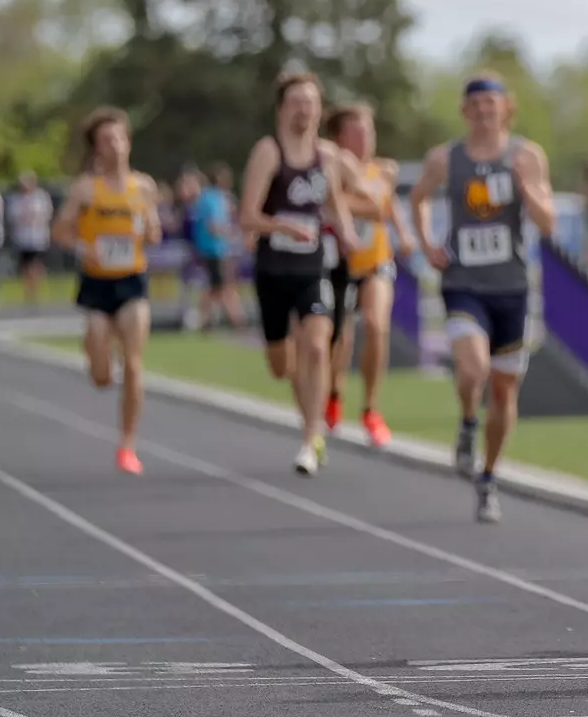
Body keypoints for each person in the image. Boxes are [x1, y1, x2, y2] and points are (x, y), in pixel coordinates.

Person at [411, 71, 556, 523]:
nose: (483, 112)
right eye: (475, 105)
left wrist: (526, 186)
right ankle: (468, 421)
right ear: (464, 110)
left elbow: (548, 223)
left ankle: (489, 477)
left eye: (491, 104)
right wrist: (427, 241)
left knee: (504, 388)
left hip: (512, 288)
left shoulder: (527, 155)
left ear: (506, 107)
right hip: (462, 283)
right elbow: (417, 197)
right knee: (472, 367)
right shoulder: (445, 159)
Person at [238, 70, 360, 477]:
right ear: (281, 108)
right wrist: (282, 227)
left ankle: (311, 437)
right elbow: (248, 217)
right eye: (296, 102)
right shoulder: (268, 152)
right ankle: (307, 407)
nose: (304, 109)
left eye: (311, 101)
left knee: (317, 342)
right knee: (281, 362)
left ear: (320, 108)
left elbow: (336, 203)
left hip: (312, 265)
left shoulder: (327, 156)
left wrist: (347, 233)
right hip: (274, 268)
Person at [49, 108, 164, 474]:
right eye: (107, 140)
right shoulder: (85, 189)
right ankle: (98, 352)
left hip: (132, 280)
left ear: (128, 142)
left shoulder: (143, 186)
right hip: (97, 283)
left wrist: (147, 228)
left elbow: (154, 232)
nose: (116, 145)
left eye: (120, 138)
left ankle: (128, 445)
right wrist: (84, 247)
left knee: (133, 363)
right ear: (97, 149)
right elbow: (60, 232)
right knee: (102, 377)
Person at [323, 102, 416, 448]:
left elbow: (386, 205)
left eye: (369, 131)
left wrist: (404, 233)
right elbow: (344, 204)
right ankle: (333, 393)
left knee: (377, 326)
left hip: (377, 260)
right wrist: (363, 204)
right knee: (339, 338)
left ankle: (372, 409)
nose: (365, 138)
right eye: (356, 132)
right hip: (341, 264)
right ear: (340, 137)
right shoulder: (331, 170)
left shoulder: (384, 170)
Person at [190, 162, 248, 331]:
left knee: (215, 287)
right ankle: (236, 319)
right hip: (214, 249)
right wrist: (231, 234)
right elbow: (213, 225)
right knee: (223, 286)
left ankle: (204, 319)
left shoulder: (216, 197)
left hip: (217, 248)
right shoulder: (212, 198)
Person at [8, 172, 54, 305]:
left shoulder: (41, 197)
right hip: (23, 238)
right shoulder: (16, 199)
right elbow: (14, 216)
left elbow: (45, 214)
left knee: (36, 264)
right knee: (25, 265)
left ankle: (37, 290)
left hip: (38, 237)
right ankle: (28, 291)